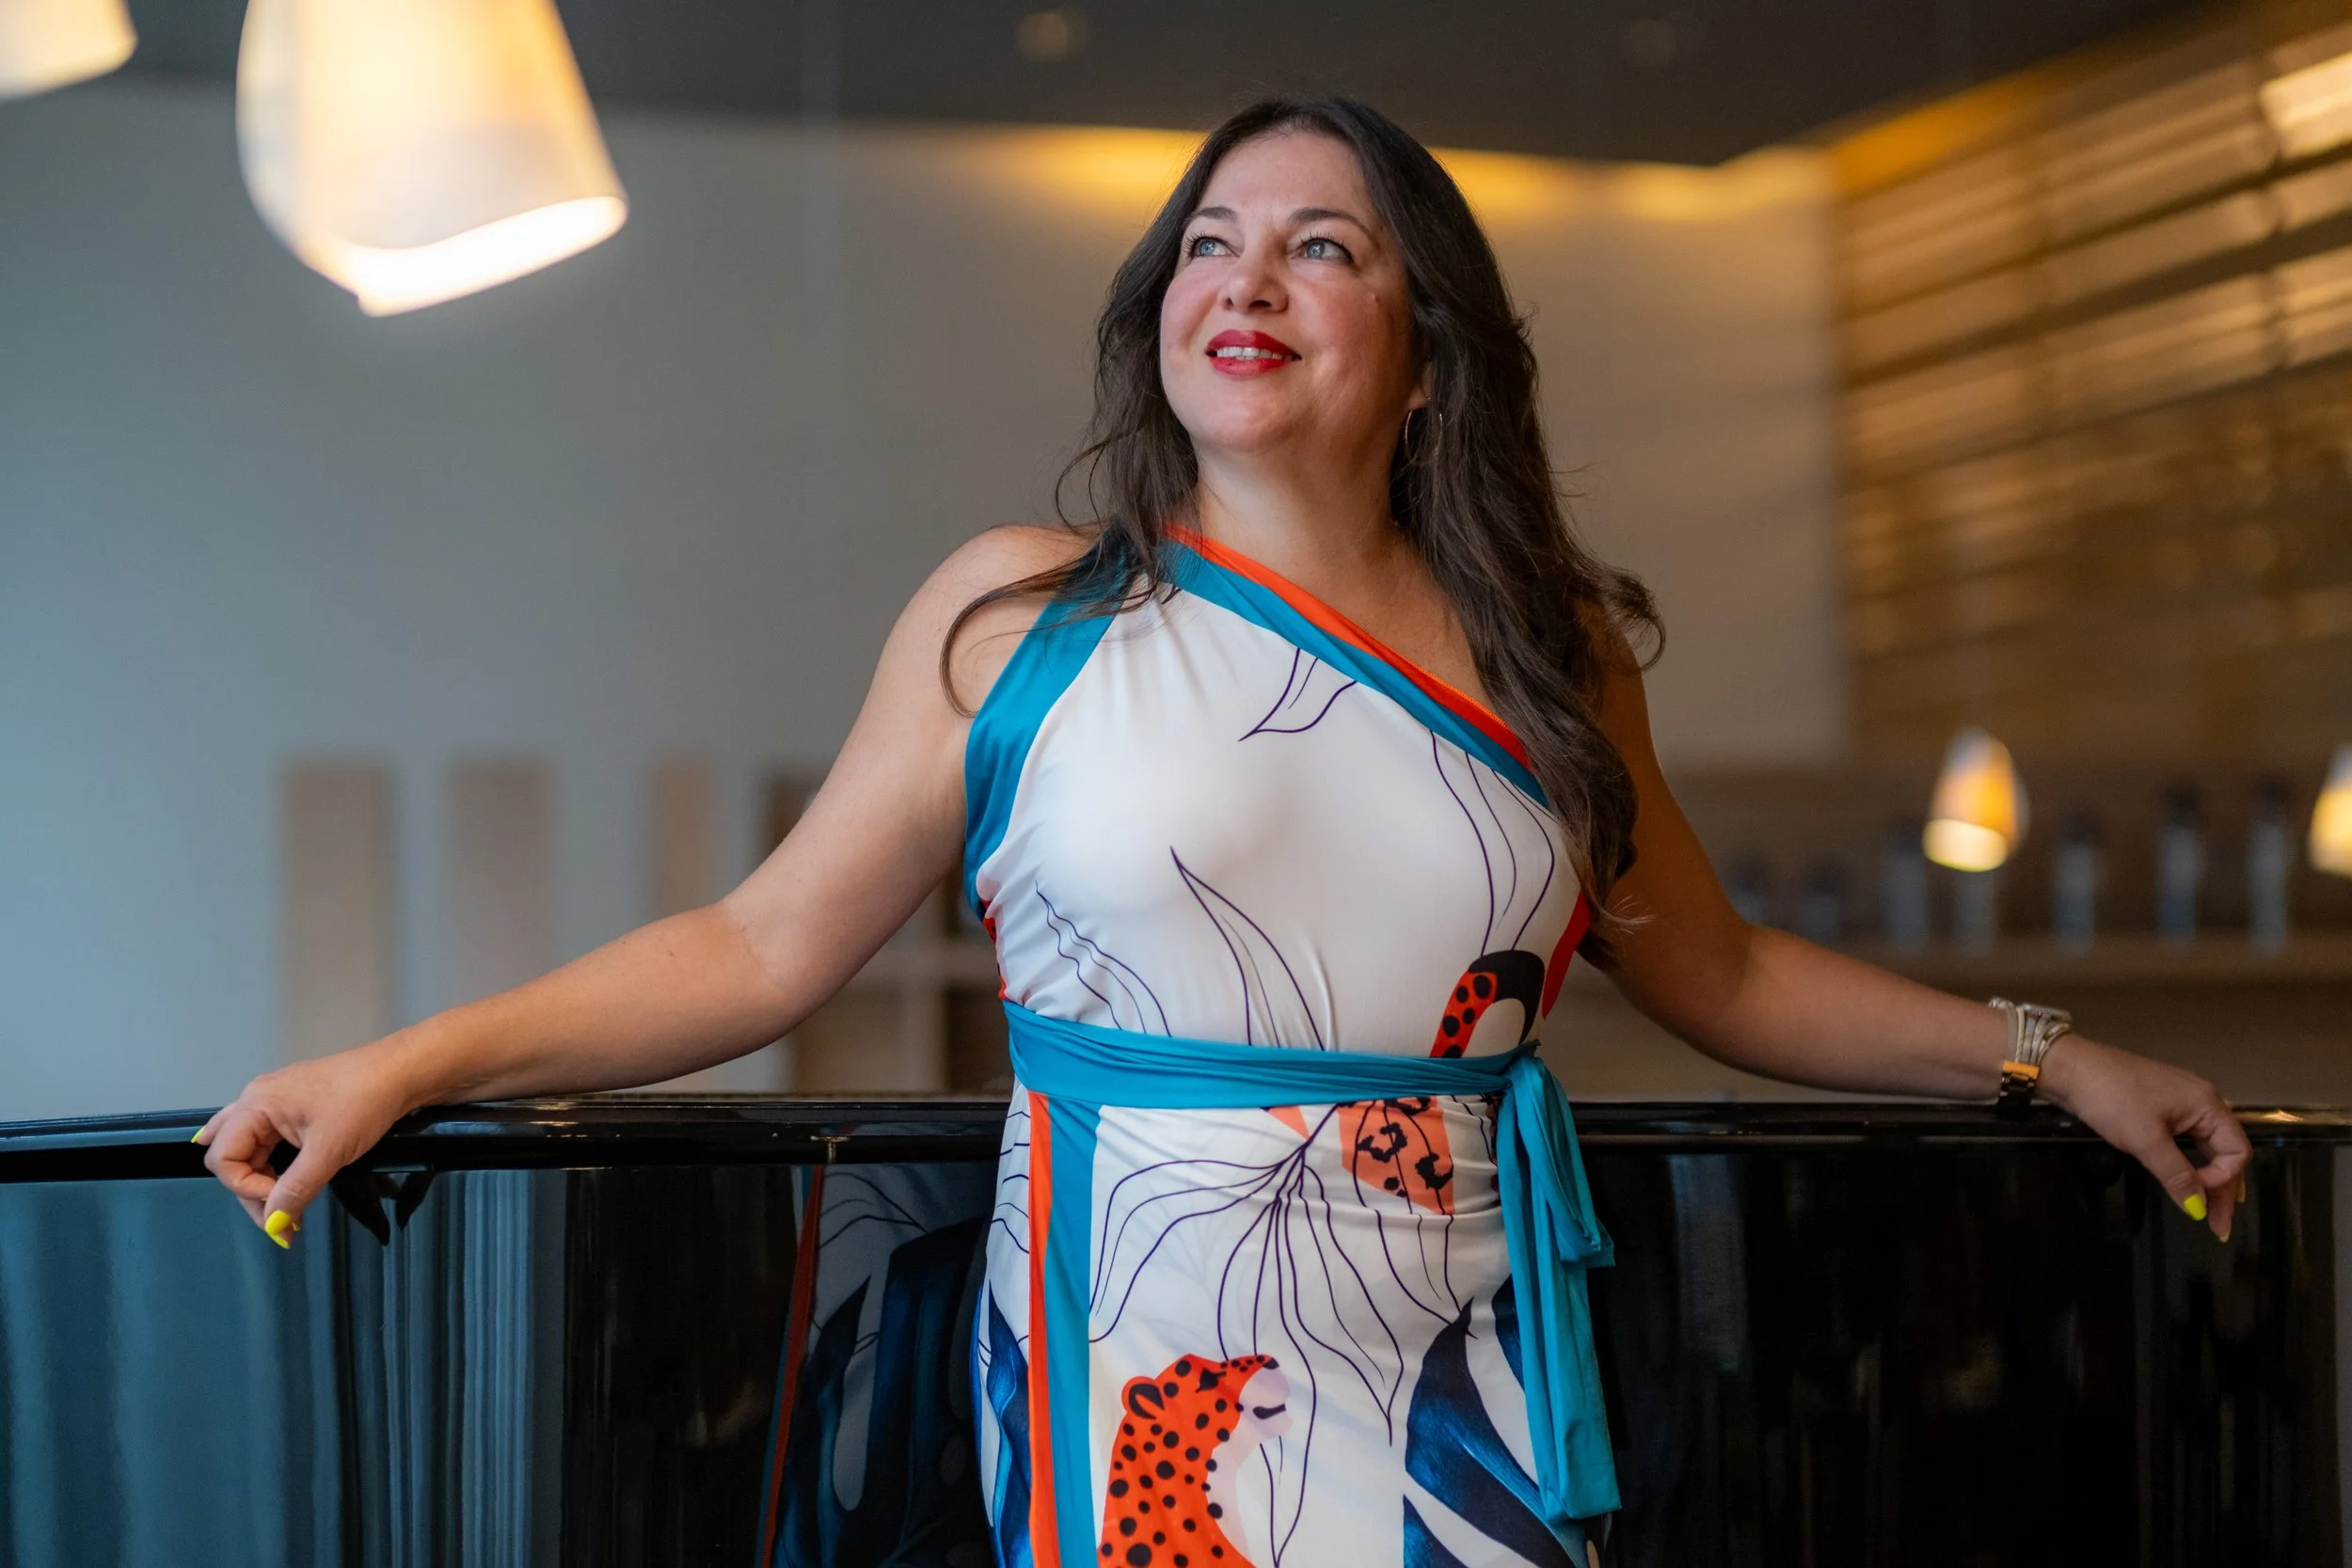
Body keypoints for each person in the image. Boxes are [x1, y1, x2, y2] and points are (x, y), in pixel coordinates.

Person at [199, 95, 2250, 1566]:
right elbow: (757, 948)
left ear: (1426, 354)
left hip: (1463, 1357)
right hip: (1135, 1348)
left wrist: (2043, 1046)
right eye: (1207, 241)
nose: (1241, 279)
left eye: (1317, 245)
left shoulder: (1549, 652)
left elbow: (1711, 966)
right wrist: (407, 1058)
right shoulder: (1021, 614)